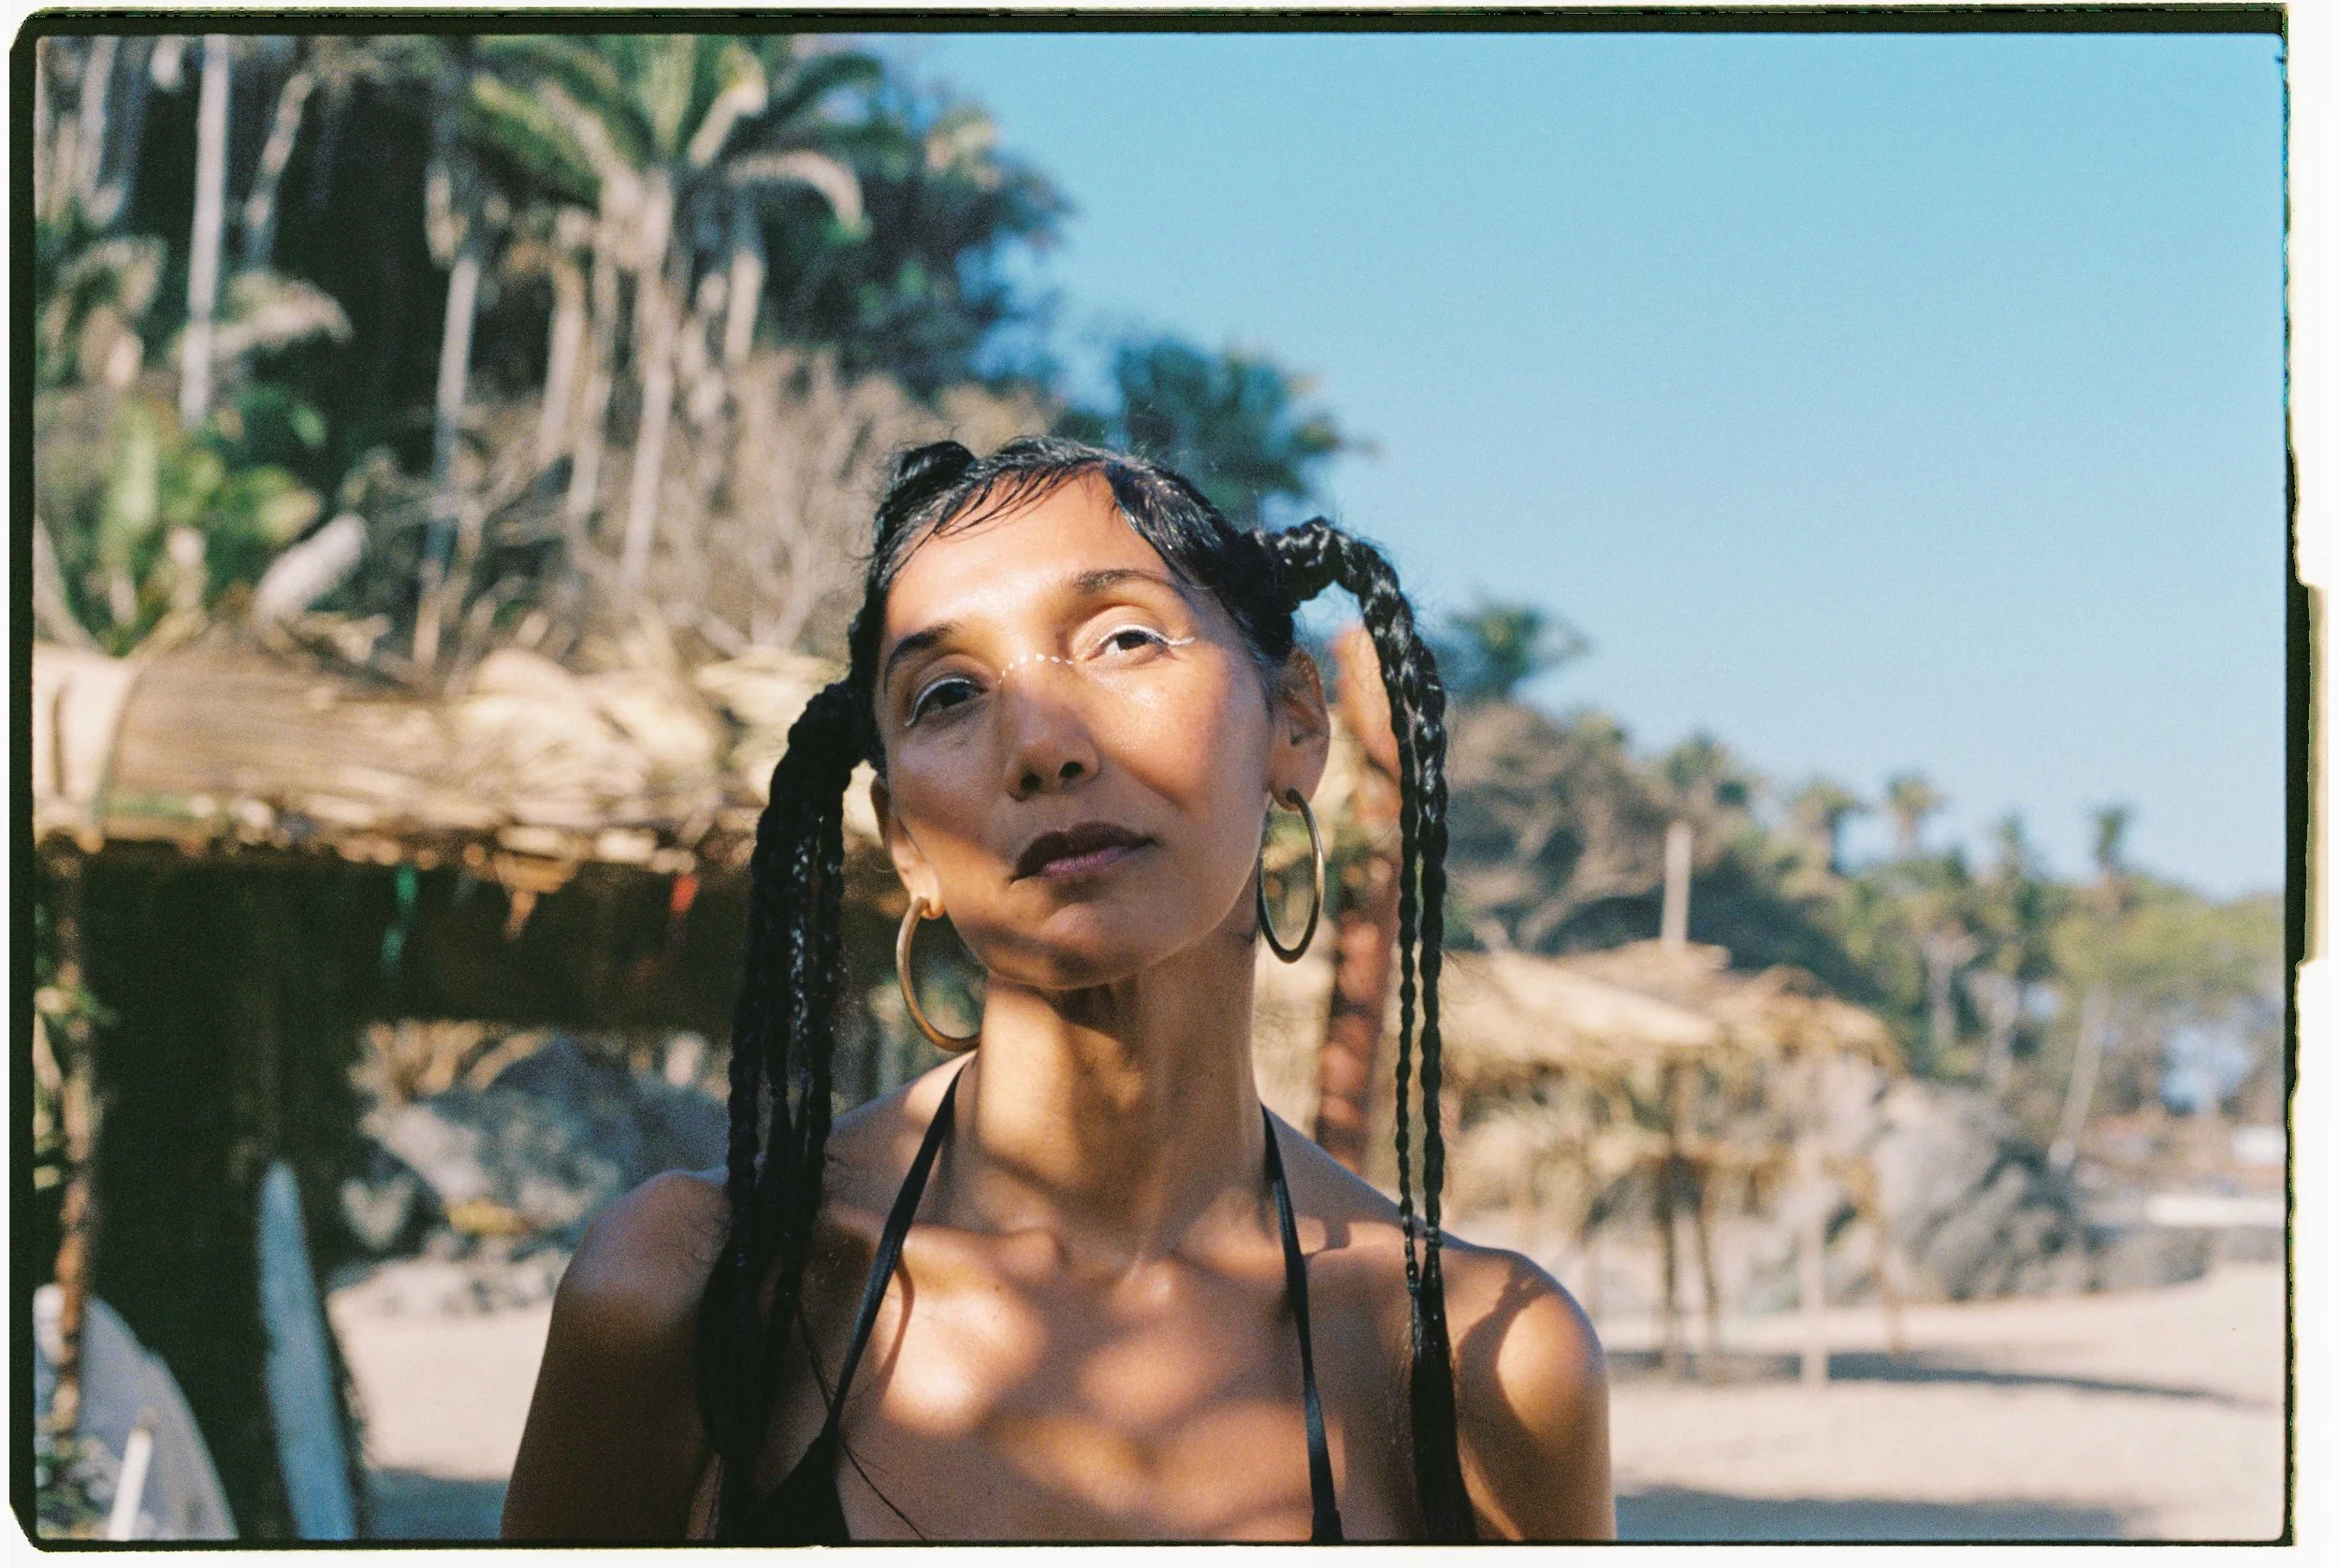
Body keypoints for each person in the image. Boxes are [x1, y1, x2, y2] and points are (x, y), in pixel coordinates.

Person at [500, 438, 1613, 1543]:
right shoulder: (701, 1287)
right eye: (945, 694)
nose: (1039, 742)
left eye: (1123, 637)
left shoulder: (1476, 1358)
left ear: (1296, 723)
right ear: (907, 845)